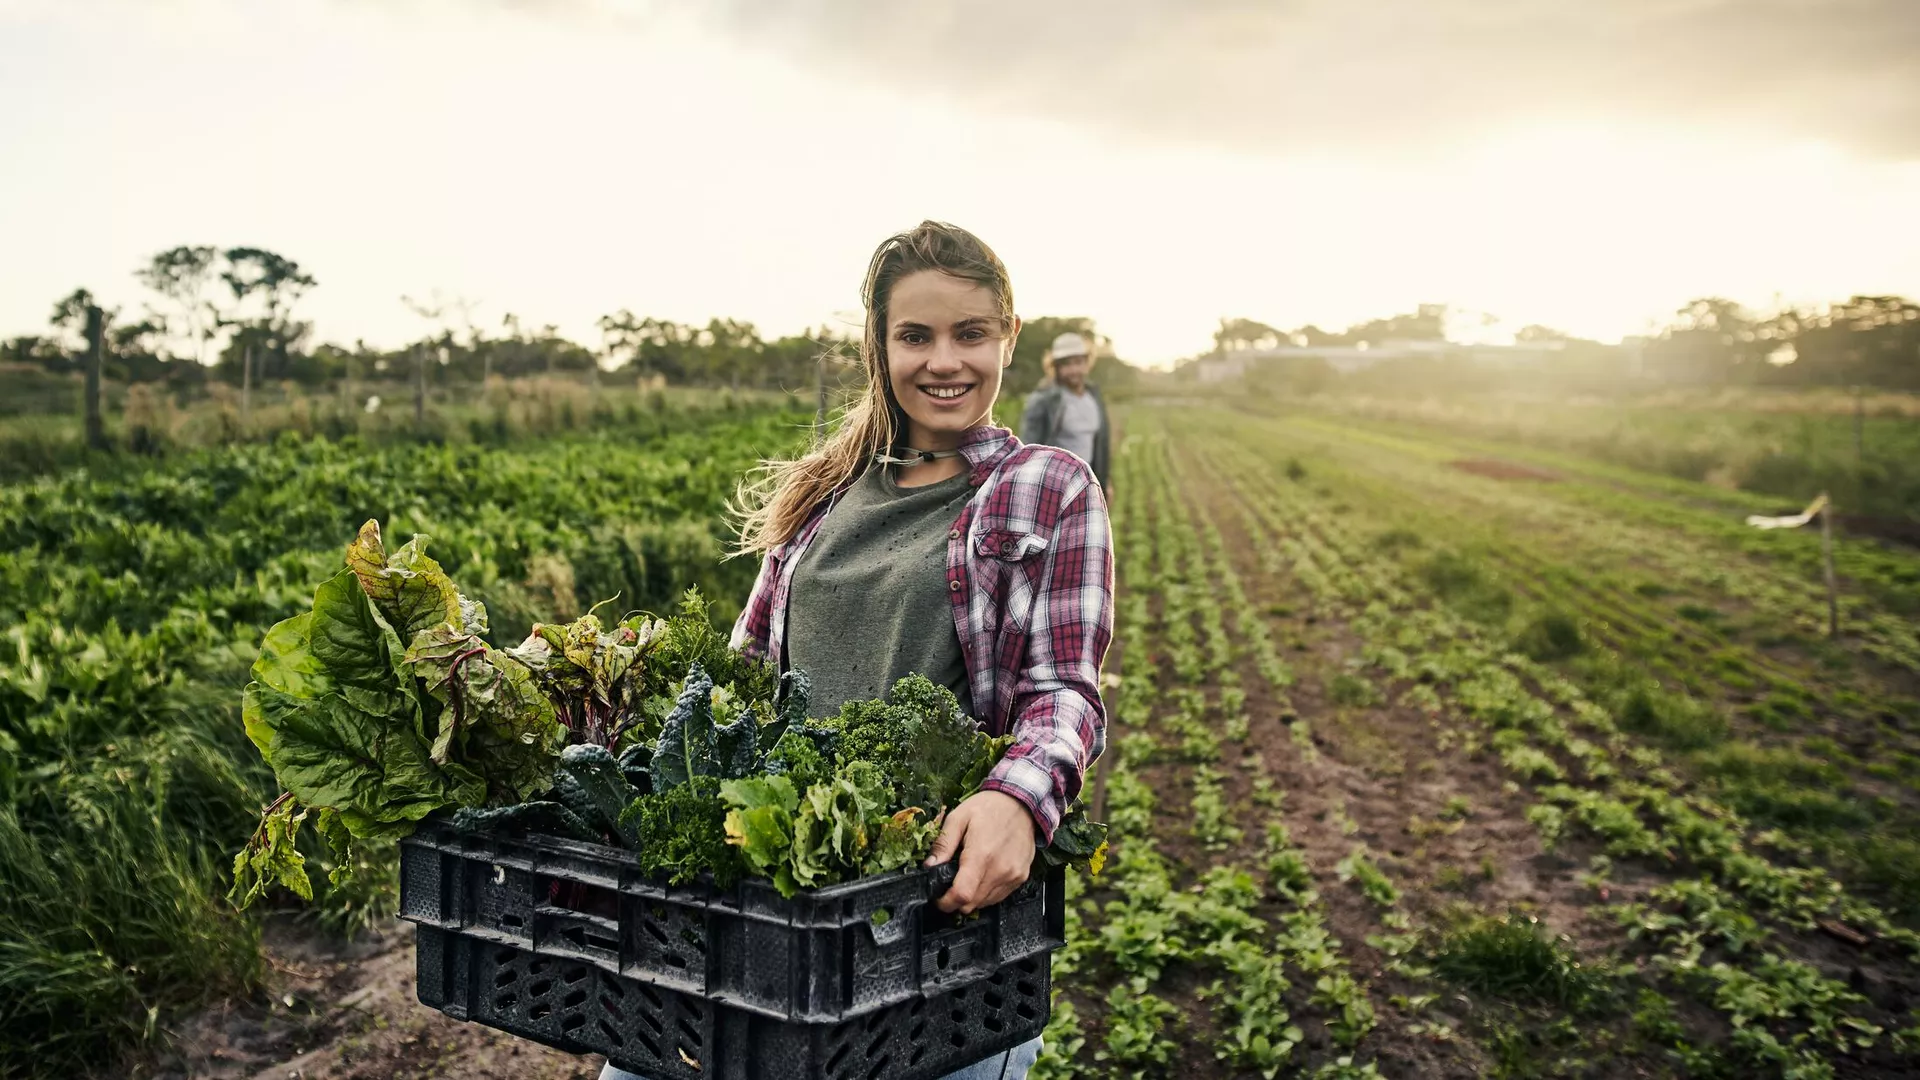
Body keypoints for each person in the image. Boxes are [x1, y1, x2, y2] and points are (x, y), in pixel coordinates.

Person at [597, 221, 1113, 1080]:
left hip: (929, 930)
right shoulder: (824, 493)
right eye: (915, 335)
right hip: (769, 911)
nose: (943, 360)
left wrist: (1017, 801)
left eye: (969, 333)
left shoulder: (1046, 487)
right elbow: (744, 670)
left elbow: (1064, 690)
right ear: (879, 344)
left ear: (1008, 339)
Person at [1018, 331, 1111, 491]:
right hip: (1055, 487)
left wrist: (1104, 483)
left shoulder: (1093, 395)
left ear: (1087, 363)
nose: (1074, 369)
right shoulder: (1044, 400)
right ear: (1055, 367)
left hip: (1087, 485)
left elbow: (1100, 444)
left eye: (1078, 362)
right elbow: (1029, 450)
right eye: (1066, 364)